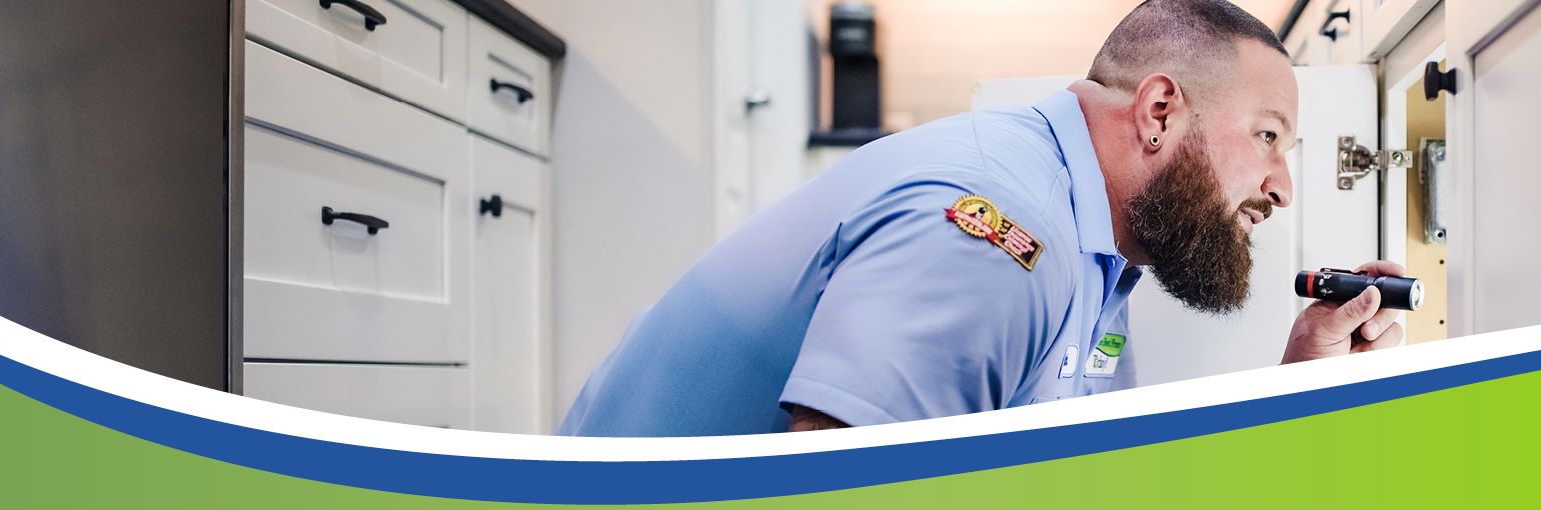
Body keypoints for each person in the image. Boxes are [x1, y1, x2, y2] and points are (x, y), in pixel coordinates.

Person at [559, 0, 1404, 437]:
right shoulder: (1002, 233)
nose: (1282, 185)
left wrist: (1304, 377)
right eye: (1267, 138)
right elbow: (838, 506)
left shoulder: (1093, 250)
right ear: (1157, 113)